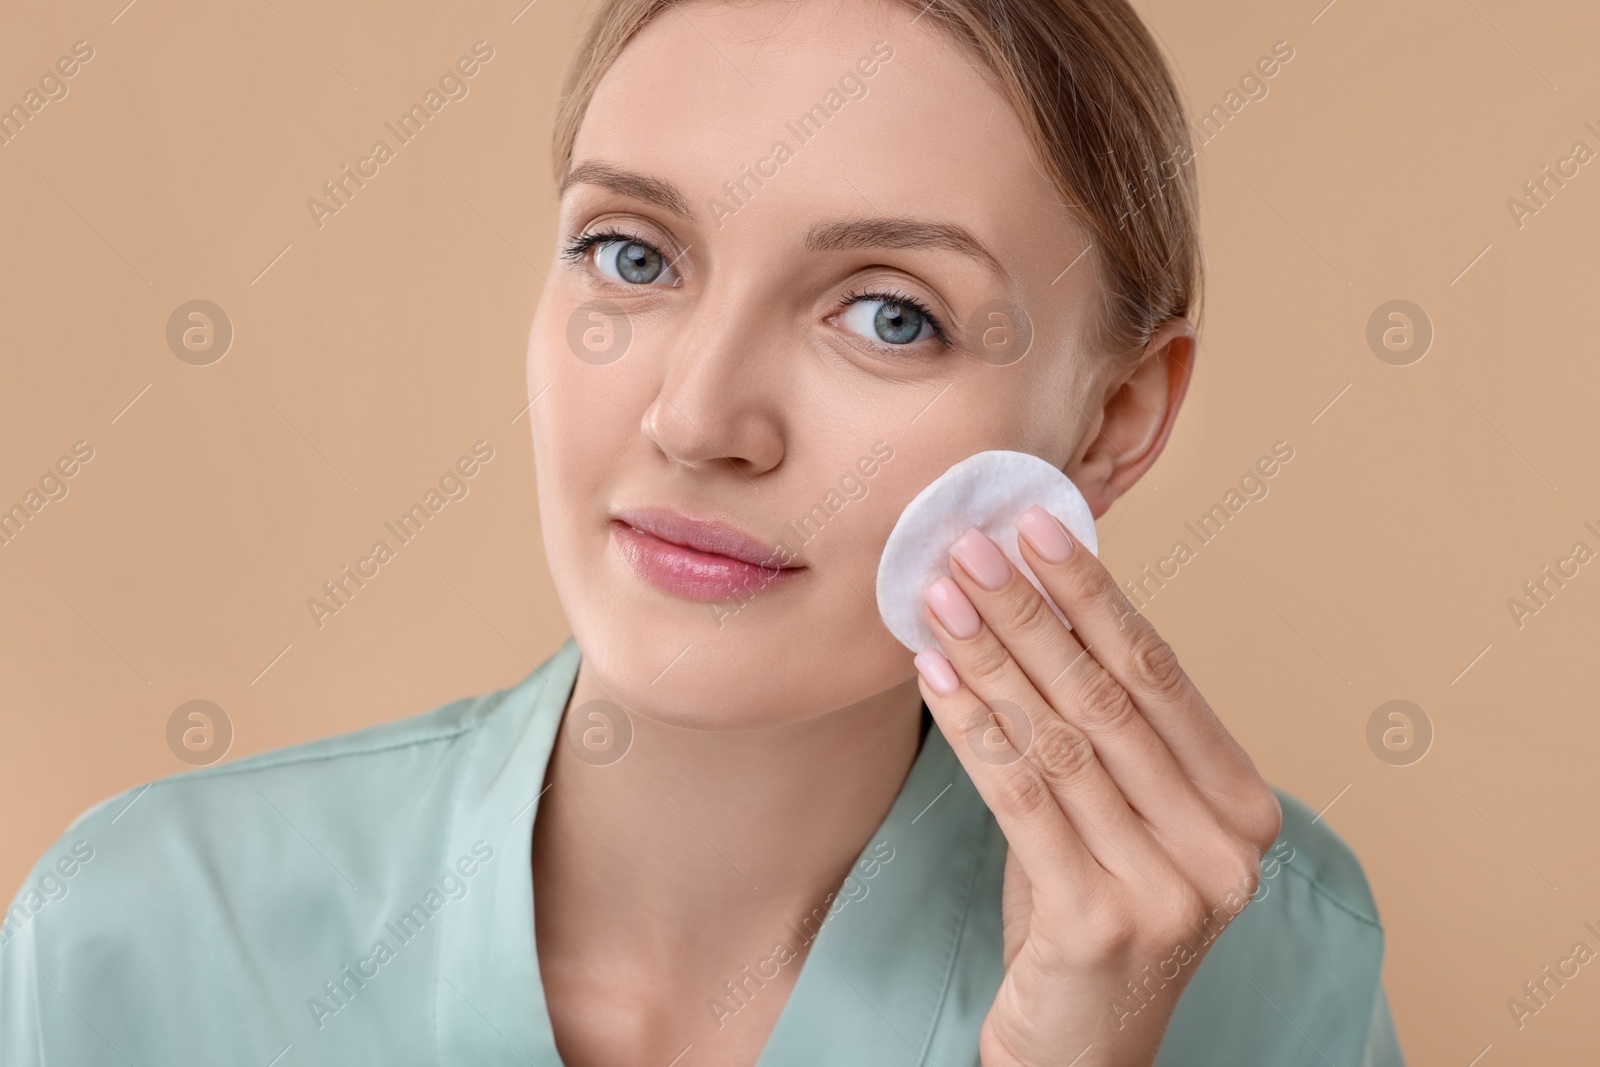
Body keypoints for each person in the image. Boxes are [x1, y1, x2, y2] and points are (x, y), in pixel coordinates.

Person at [1, 0, 1405, 1063]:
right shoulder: (138, 936)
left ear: (1112, 422)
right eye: (632, 255)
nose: (697, 415)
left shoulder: (1266, 956)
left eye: (888, 313)